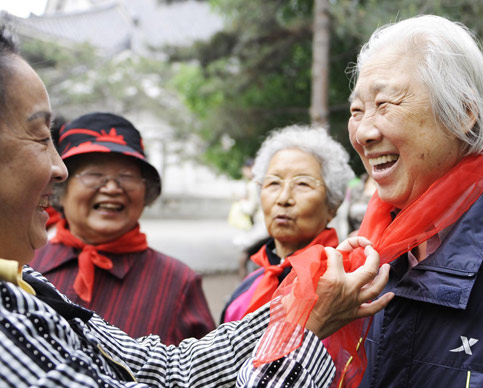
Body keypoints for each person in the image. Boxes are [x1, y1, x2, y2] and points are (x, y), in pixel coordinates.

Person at [0, 25, 394, 387]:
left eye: (303, 184)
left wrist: (299, 308)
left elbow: (170, 368)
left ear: (334, 202)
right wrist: (304, 329)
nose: (59, 169)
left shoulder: (27, 285)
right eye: (39, 137)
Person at [258, 15, 483, 387]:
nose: (364, 132)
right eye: (357, 111)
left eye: (386, 103)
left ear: (463, 114)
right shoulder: (367, 255)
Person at [30, 112, 216, 345]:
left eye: (126, 176)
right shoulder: (25, 266)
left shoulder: (178, 282)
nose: (111, 188)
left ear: (145, 192)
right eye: (94, 175)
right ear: (59, 190)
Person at [222, 125, 354, 323]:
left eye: (302, 184)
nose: (283, 198)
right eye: (273, 183)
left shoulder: (344, 285)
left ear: (332, 205)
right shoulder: (250, 284)